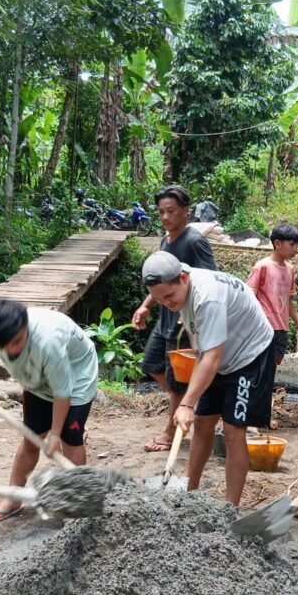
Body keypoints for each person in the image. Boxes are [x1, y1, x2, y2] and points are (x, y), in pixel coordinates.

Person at [141, 252, 274, 507]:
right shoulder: (180, 287)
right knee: (202, 423)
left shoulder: (207, 297)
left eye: (169, 296)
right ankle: (190, 494)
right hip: (217, 355)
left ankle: (229, 508)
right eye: (158, 300)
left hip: (250, 355)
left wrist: (187, 403)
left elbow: (212, 357)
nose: (166, 303)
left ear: (183, 277)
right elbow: (203, 347)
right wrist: (192, 398)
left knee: (234, 430)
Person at [0, 299, 99, 524]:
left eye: (17, 341)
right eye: (4, 346)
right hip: (37, 379)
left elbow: (63, 393)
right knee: (31, 437)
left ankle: (78, 503)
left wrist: (55, 433)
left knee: (69, 439)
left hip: (76, 374)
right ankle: (13, 498)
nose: (11, 350)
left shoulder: (49, 341)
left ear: (26, 327)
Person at [131, 185, 217, 452]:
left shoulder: (194, 242)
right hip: (165, 318)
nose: (166, 217)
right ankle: (188, 399)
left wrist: (192, 315)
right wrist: (146, 306)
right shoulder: (166, 241)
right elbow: (159, 279)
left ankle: (170, 432)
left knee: (177, 379)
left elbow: (210, 280)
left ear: (185, 212)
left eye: (171, 211)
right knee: (151, 365)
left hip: (183, 323)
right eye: (161, 212)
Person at [246, 223, 298, 428]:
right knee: (259, 373)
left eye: (297, 245)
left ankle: (260, 414)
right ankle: (253, 417)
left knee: (269, 374)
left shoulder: (289, 269)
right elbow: (248, 296)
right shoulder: (262, 267)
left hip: (281, 329)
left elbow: (288, 300)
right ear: (277, 244)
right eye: (292, 245)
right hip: (263, 329)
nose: (295, 249)